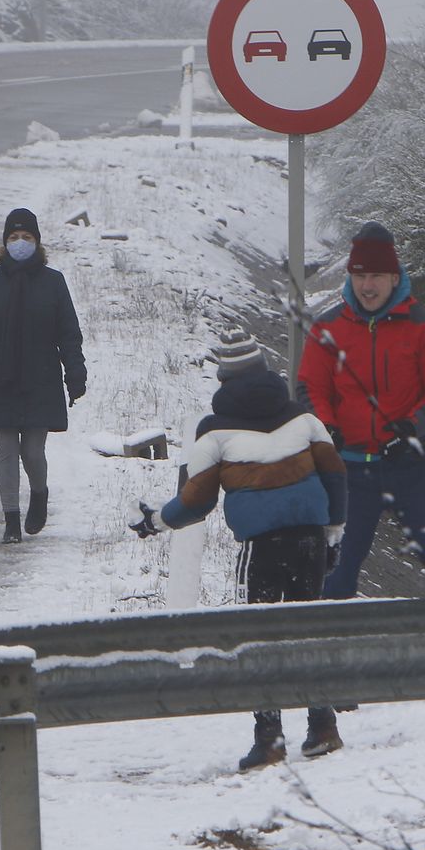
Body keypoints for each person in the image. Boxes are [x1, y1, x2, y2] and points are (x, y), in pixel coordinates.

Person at [127, 327, 347, 771]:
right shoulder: (303, 417)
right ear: (265, 370)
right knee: (308, 630)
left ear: (223, 379)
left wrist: (155, 522)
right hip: (310, 538)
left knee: (258, 636)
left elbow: (196, 501)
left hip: (262, 547)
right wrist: (333, 532)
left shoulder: (214, 431)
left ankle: (270, 740)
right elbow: (335, 475)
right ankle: (323, 727)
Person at [297, 221, 425, 599]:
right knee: (333, 572)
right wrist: (327, 428)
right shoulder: (328, 328)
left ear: (394, 277)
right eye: (360, 276)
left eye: (376, 275)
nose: (367, 285)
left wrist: (413, 425)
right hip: (348, 470)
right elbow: (310, 388)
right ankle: (326, 636)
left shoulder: (423, 326)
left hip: (409, 465)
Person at [0, 208, 87, 544]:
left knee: (31, 451)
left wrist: (75, 372)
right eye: (13, 237)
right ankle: (11, 521)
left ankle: (39, 494)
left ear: (37, 242)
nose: (19, 242)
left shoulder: (53, 283)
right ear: (4, 242)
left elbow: (68, 334)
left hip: (39, 380)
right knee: (6, 451)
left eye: (26, 237)